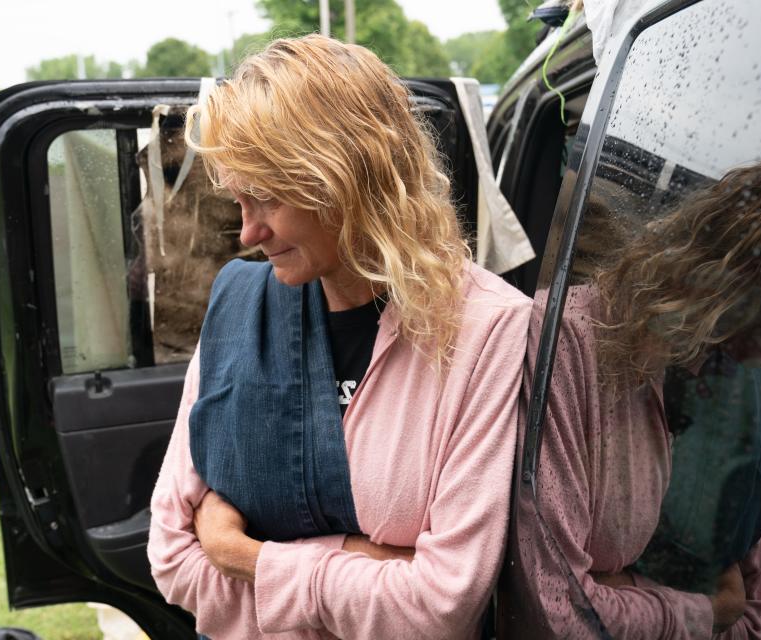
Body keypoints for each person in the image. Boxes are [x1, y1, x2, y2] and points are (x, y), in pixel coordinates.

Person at [147, 35, 533, 639]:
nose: (248, 232)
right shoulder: (238, 307)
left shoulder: (485, 330)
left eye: (268, 196)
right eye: (239, 200)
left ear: (347, 176)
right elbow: (171, 559)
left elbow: (440, 605)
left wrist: (242, 556)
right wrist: (367, 562)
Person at [511, 152, 761, 638]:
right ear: (748, 264)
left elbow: (752, 610)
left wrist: (627, 590)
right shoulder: (573, 343)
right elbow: (557, 608)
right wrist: (707, 611)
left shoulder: (753, 388)